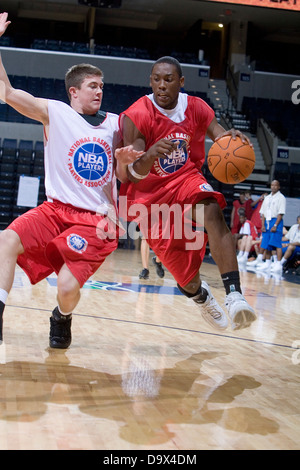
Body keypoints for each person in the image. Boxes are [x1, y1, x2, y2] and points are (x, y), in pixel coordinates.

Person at [0, 12, 142, 348]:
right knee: (5, 240)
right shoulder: (54, 112)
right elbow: (4, 90)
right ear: (73, 92)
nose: (100, 91)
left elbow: (128, 176)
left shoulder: (117, 124)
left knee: (66, 289)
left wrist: (124, 164)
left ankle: (62, 315)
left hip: (96, 219)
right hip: (54, 210)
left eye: (102, 86)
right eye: (93, 86)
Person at [118, 56, 256, 331]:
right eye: (156, 79)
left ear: (181, 82)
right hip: (151, 198)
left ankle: (234, 295)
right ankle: (201, 296)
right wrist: (150, 154)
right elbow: (131, 174)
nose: (161, 85)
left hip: (185, 179)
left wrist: (231, 141)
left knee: (213, 212)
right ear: (150, 81)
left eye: (168, 80)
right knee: (185, 276)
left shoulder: (196, 107)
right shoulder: (138, 114)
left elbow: (219, 135)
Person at [256, 180, 286, 273]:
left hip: (276, 220)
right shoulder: (267, 197)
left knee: (277, 243)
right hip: (267, 221)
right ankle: (268, 263)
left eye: (275, 185)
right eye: (272, 185)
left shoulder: (281, 198)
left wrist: (275, 225)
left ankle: (278, 264)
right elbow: (263, 212)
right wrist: (262, 225)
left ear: (279, 187)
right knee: (268, 244)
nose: (273, 187)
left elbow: (281, 213)